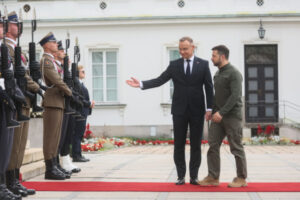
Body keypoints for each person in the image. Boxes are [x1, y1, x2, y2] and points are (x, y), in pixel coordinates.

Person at [126, 37, 213, 185]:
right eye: (180, 49)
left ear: (193, 47)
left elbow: (209, 87)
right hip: (179, 110)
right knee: (178, 144)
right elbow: (160, 80)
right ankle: (180, 176)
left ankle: (193, 176)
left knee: (196, 145)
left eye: (185, 49)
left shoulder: (203, 64)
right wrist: (141, 84)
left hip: (197, 110)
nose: (182, 52)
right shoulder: (174, 65)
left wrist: (210, 108)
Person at [198, 45, 247, 187]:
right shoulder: (218, 74)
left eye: (214, 55)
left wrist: (222, 112)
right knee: (212, 145)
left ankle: (241, 178)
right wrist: (211, 111)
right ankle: (213, 177)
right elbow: (217, 97)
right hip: (217, 117)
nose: (211, 58)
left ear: (222, 56)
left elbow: (235, 96)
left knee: (236, 147)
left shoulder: (234, 73)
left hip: (232, 117)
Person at [5, 11, 38, 197]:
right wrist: (37, 88)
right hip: (15, 98)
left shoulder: (18, 49)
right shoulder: (7, 48)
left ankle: (15, 180)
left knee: (20, 144)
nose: (18, 27)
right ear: (6, 27)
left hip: (24, 98)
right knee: (13, 143)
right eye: (15, 24)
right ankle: (10, 181)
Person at [39, 32, 72, 180]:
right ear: (46, 45)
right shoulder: (46, 61)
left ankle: (54, 165)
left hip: (58, 101)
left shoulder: (51, 61)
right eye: (53, 42)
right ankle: (49, 168)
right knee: (50, 138)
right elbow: (56, 80)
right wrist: (70, 93)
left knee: (56, 137)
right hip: (52, 101)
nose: (56, 45)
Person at [0, 14, 22, 200]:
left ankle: (3, 185)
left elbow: (9, 75)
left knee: (6, 144)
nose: (2, 28)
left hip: (6, 100)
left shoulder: (2, 49)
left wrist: (15, 92)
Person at [72, 65, 94, 162]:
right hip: (80, 111)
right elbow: (79, 98)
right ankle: (76, 155)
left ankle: (78, 154)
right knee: (78, 133)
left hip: (83, 111)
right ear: (77, 73)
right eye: (82, 71)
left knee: (80, 133)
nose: (84, 73)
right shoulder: (77, 84)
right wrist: (89, 103)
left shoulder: (80, 83)